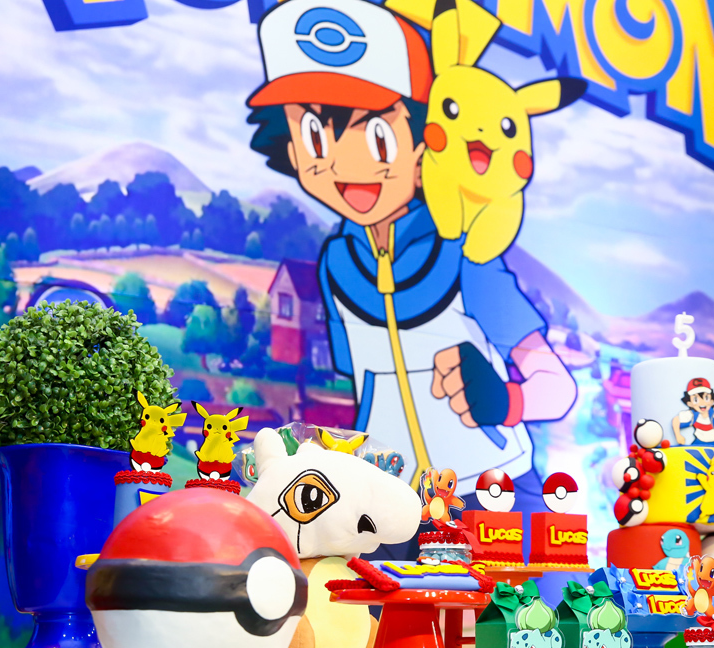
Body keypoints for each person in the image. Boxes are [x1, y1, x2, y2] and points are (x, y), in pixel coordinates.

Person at [245, 0, 577, 545]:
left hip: (492, 494)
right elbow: (362, 393)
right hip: (391, 506)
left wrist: (505, 400)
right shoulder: (337, 264)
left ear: (427, 138)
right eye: (316, 137)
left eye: (377, 135)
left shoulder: (464, 253)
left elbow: (557, 387)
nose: (344, 164)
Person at [673, 376, 714, 446]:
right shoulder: (692, 415)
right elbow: (676, 420)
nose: (702, 403)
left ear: (712, 401)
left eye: (706, 398)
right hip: (699, 443)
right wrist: (678, 435)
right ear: (689, 403)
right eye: (696, 399)